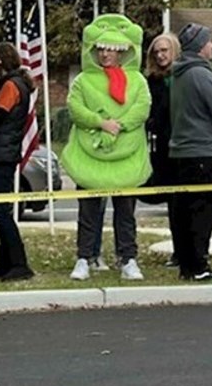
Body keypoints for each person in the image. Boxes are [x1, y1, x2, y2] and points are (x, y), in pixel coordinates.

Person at [61, 15, 150, 282]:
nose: (105, 54)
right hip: (89, 155)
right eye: (100, 49)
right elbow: (75, 108)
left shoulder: (137, 81)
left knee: (125, 213)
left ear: (122, 52)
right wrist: (100, 122)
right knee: (88, 211)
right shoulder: (82, 81)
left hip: (127, 157)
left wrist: (117, 126)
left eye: (110, 49)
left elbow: (142, 108)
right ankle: (84, 258)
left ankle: (128, 259)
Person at [168, 23, 212, 281]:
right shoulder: (201, 74)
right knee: (202, 211)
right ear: (200, 46)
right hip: (202, 151)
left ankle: (186, 265)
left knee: (184, 211)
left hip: (181, 152)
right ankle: (199, 265)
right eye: (209, 41)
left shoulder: (178, 75)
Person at [0, 41, 36, 281]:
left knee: (1, 211)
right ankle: (6, 263)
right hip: (1, 153)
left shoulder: (11, 85)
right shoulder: (11, 83)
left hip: (1, 155)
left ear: (0, 61)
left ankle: (19, 263)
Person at [142, 33, 181, 267]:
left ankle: (186, 249)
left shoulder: (183, 78)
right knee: (172, 201)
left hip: (183, 145)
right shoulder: (151, 81)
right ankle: (177, 251)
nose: (160, 55)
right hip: (161, 146)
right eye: (156, 51)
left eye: (164, 50)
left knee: (183, 202)